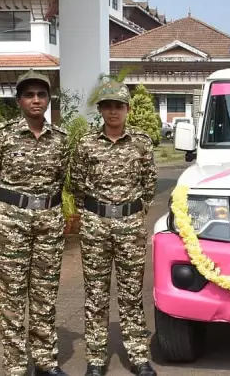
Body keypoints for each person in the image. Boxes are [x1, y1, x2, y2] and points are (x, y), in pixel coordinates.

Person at [0, 70, 70, 376]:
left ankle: (45, 360)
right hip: (9, 224)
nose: (36, 100)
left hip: (48, 224)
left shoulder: (60, 139)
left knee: (45, 292)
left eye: (41, 94)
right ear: (18, 100)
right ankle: (16, 365)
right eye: (29, 95)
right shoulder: (1, 135)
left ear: (49, 99)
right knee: (12, 294)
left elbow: (61, 179)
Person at [70, 80, 158, 376]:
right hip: (95, 224)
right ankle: (96, 359)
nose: (113, 111)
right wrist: (94, 213)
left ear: (127, 109)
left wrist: (134, 212)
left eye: (118, 106)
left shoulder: (141, 142)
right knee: (96, 293)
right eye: (107, 106)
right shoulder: (86, 143)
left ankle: (138, 356)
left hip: (130, 226)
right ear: (100, 110)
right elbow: (77, 184)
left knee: (131, 292)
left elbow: (149, 183)